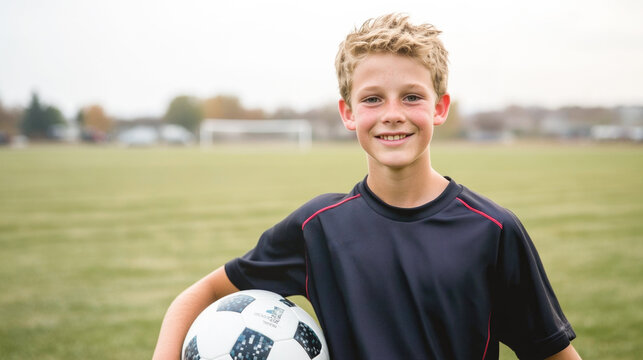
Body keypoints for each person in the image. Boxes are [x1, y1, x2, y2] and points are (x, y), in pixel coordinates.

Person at [153, 13, 581, 359]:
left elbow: (551, 352)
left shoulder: (492, 230)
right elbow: (204, 293)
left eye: (411, 97)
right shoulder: (317, 228)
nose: (392, 114)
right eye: (373, 99)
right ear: (348, 113)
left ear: (440, 108)